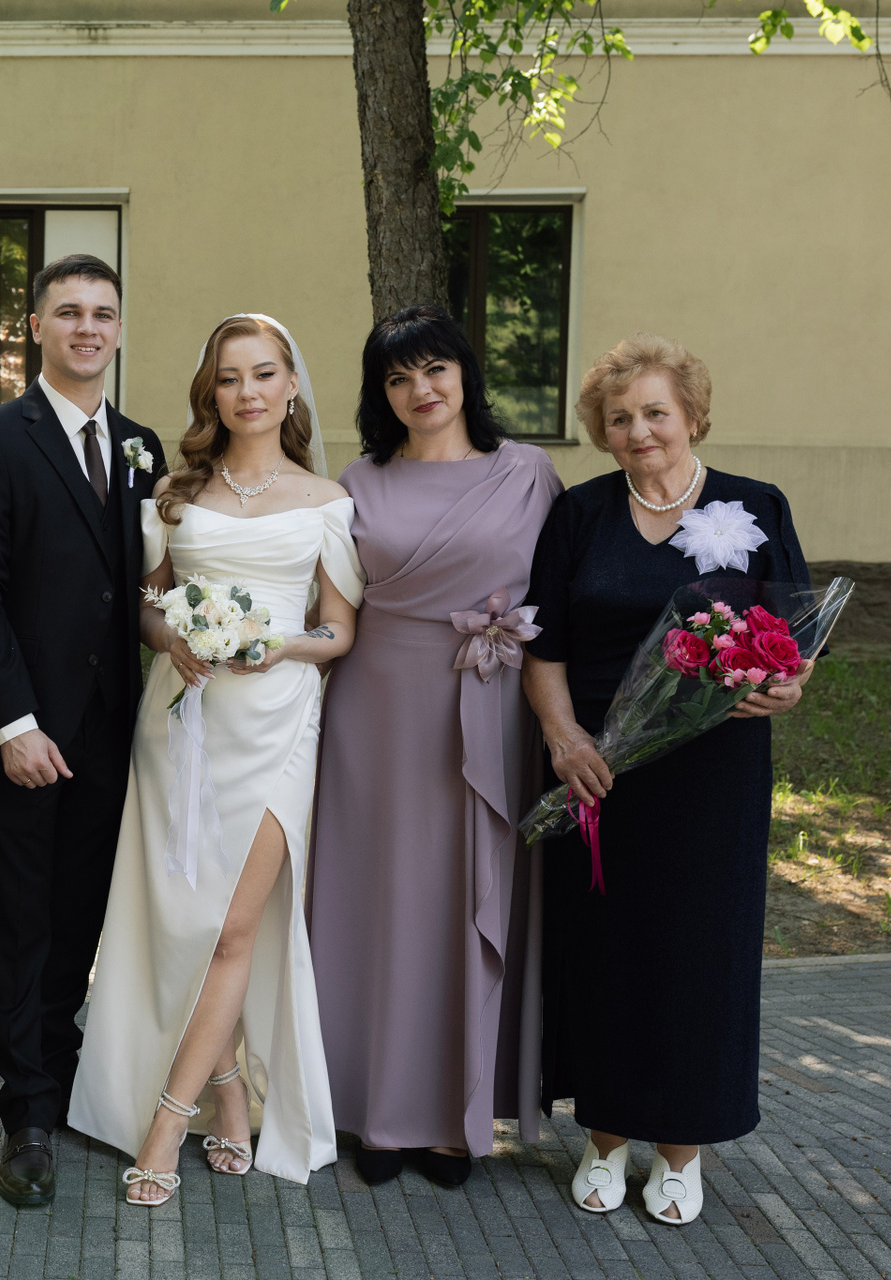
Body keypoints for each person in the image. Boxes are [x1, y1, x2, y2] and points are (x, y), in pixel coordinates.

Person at [522, 333, 815, 1226]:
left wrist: (788, 684)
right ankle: (606, 1136)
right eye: (620, 419)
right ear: (602, 432)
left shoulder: (755, 504)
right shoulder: (580, 514)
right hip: (603, 772)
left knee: (701, 954)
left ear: (691, 414)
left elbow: (796, 638)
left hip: (714, 776)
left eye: (656, 412)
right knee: (606, 951)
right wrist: (563, 738)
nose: (639, 431)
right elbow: (544, 644)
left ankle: (683, 1151)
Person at [68, 313, 361, 1205]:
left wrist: (278, 645)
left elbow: (339, 631)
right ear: (212, 393)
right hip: (181, 719)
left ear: (291, 385)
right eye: (229, 378)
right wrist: (173, 638)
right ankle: (228, 1092)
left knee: (235, 926)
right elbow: (147, 606)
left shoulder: (327, 502)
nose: (248, 392)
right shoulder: (175, 495)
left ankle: (167, 1121)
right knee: (185, 917)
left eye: (264, 374)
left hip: (276, 726)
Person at [307, 305, 562, 1189]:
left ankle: (459, 1115)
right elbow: (331, 605)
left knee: (467, 898)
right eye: (398, 377)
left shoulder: (529, 473)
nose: (421, 389)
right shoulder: (358, 482)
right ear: (381, 394)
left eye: (435, 369)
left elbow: (566, 597)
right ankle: (375, 1111)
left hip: (493, 707)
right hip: (378, 714)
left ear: (464, 374)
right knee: (381, 903)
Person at [0, 254, 166, 1207]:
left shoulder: (142, 445)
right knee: (19, 916)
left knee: (82, 913)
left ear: (118, 328)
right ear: (35, 327)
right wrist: (13, 722)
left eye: (102, 313)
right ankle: (26, 1109)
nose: (87, 328)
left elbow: (145, 582)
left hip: (114, 731)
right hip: (24, 732)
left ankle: (63, 1071)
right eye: (68, 312)